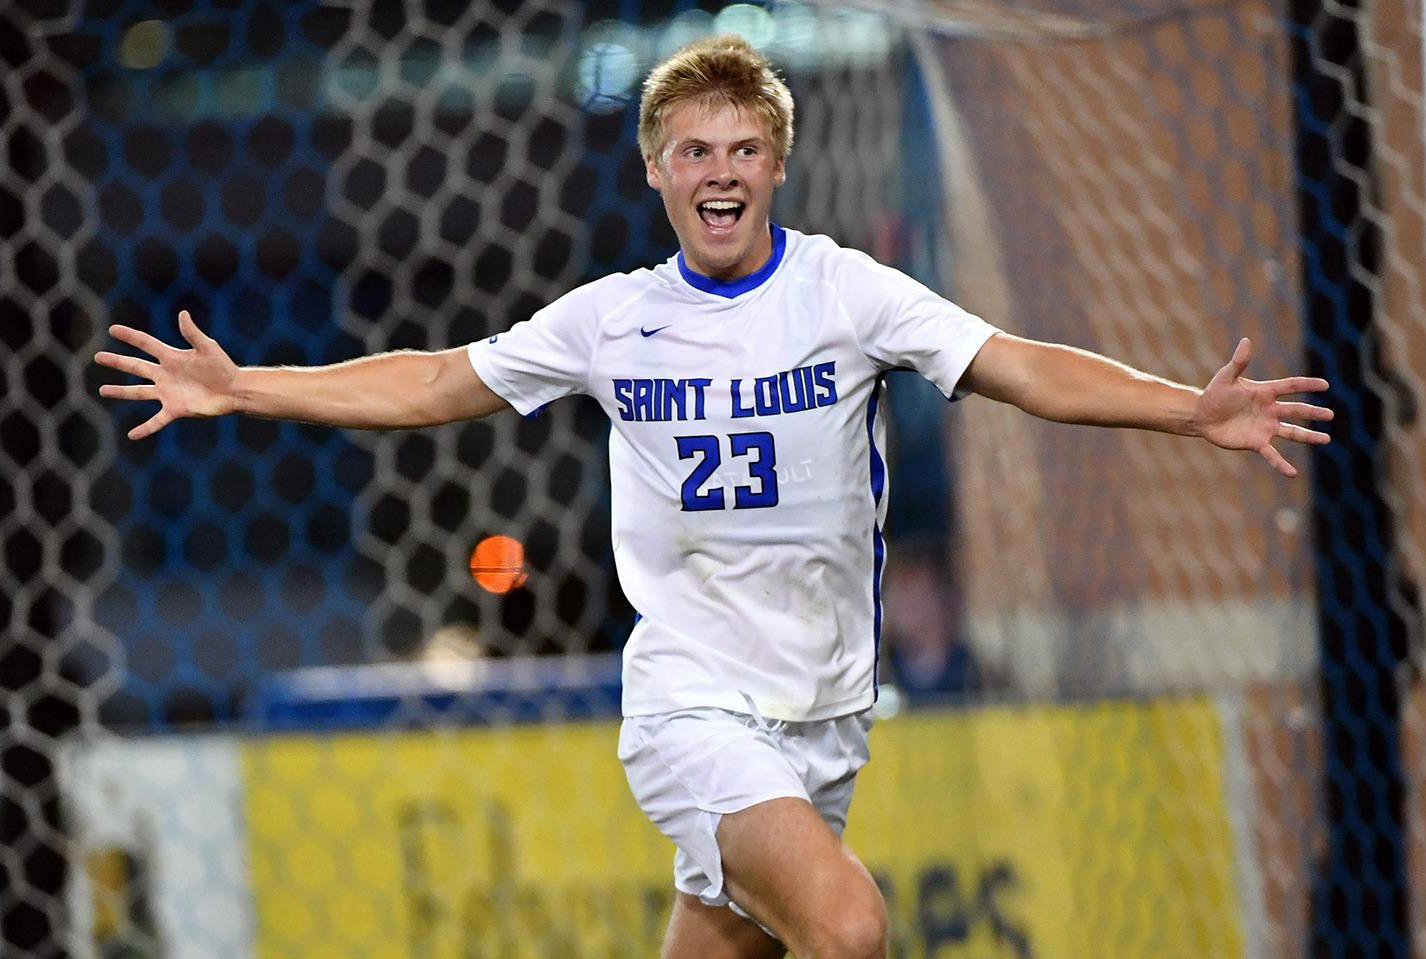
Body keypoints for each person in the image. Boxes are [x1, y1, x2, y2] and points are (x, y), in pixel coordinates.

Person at [96, 35, 1332, 959]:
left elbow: (1019, 367)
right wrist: (249, 384)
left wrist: (1187, 405)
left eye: (744, 148)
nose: (720, 169)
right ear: (656, 170)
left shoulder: (849, 294)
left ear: (777, 165)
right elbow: (432, 381)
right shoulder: (613, 319)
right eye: (695, 149)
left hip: (827, 713)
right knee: (847, 927)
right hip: (693, 699)